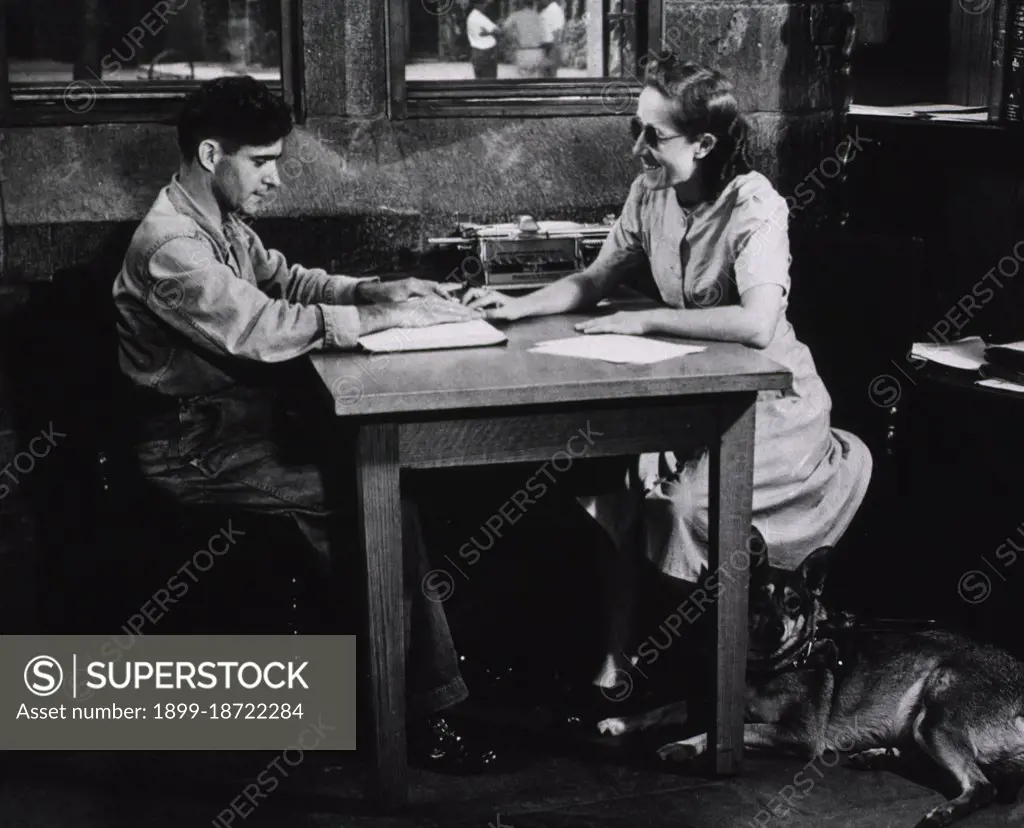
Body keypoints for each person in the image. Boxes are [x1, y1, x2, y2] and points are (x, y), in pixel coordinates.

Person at [110, 75, 514, 772]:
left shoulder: (214, 216)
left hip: (236, 428)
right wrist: (387, 320)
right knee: (374, 495)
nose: (276, 178)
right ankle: (417, 715)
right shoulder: (171, 244)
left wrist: (374, 290)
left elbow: (286, 280)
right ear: (212, 154)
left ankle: (399, 690)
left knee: (386, 487)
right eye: (263, 161)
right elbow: (262, 327)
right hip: (193, 447)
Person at [462, 58, 874, 721]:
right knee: (615, 493)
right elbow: (595, 280)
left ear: (704, 143)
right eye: (637, 130)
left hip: (771, 402)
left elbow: (758, 320)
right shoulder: (649, 192)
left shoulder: (755, 205)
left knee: (686, 507)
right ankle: (617, 664)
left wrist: (649, 315)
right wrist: (517, 307)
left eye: (653, 136)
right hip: (691, 392)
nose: (638, 148)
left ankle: (693, 679)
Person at [502, 0, 548, 78]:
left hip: (523, 51)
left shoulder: (516, 16)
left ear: (522, 3)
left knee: (523, 80)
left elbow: (505, 29)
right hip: (538, 52)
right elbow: (545, 34)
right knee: (536, 80)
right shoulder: (539, 16)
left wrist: (513, 39)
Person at [466, 0, 500, 79]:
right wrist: (491, 32)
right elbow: (497, 31)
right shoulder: (479, 17)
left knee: (480, 80)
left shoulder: (472, 16)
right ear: (478, 4)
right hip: (486, 52)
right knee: (490, 81)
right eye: (484, 4)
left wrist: (487, 33)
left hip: (476, 51)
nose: (486, 6)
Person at [538, 0, 566, 78]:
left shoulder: (551, 10)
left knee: (547, 75)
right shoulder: (553, 10)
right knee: (549, 75)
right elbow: (556, 31)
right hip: (549, 45)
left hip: (547, 46)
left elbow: (556, 31)